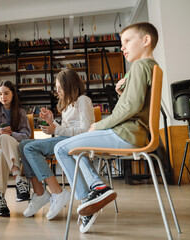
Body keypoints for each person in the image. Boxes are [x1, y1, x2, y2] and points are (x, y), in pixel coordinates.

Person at [54, 22, 159, 233]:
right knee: (76, 148)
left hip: (125, 133)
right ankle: (95, 190)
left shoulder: (139, 66)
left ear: (146, 41)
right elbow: (135, 104)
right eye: (122, 43)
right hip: (135, 133)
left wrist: (98, 125)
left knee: (61, 148)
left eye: (128, 41)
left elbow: (130, 108)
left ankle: (89, 197)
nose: (123, 47)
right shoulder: (151, 67)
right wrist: (123, 93)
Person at [19, 69, 94, 220]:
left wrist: (57, 128)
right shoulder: (67, 106)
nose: (57, 90)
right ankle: (40, 193)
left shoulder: (83, 100)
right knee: (23, 145)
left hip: (78, 142)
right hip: (67, 141)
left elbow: (86, 130)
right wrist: (52, 122)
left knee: (30, 147)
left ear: (69, 85)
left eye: (59, 87)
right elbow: (63, 133)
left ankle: (57, 192)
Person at [0, 80, 31, 217]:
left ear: (13, 94)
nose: (2, 96)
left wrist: (11, 134)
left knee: (3, 152)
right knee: (3, 139)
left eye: (6, 93)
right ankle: (18, 177)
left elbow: (26, 135)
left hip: (8, 148)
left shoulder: (20, 112)